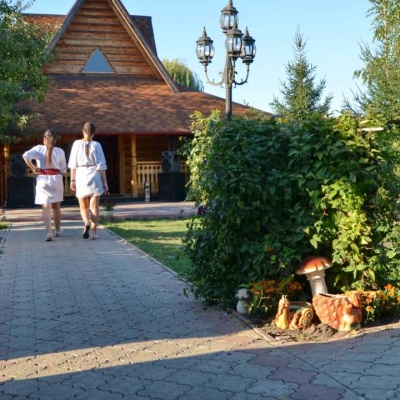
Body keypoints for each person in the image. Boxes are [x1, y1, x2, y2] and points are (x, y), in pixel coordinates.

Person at [23, 129, 67, 241]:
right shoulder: (60, 151)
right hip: (56, 178)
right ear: (55, 140)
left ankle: (49, 233)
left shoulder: (38, 148)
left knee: (46, 207)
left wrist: (33, 167)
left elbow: (25, 156)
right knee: (56, 207)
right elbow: (63, 170)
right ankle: (58, 231)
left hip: (43, 178)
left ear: (44, 139)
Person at [68, 122, 108, 240]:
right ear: (94, 133)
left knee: (83, 206)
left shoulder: (76, 144)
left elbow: (73, 164)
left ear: (83, 131)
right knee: (94, 207)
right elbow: (101, 165)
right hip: (94, 174)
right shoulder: (97, 145)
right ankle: (94, 233)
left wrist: (72, 180)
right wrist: (105, 182)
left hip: (81, 175)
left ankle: (86, 222)